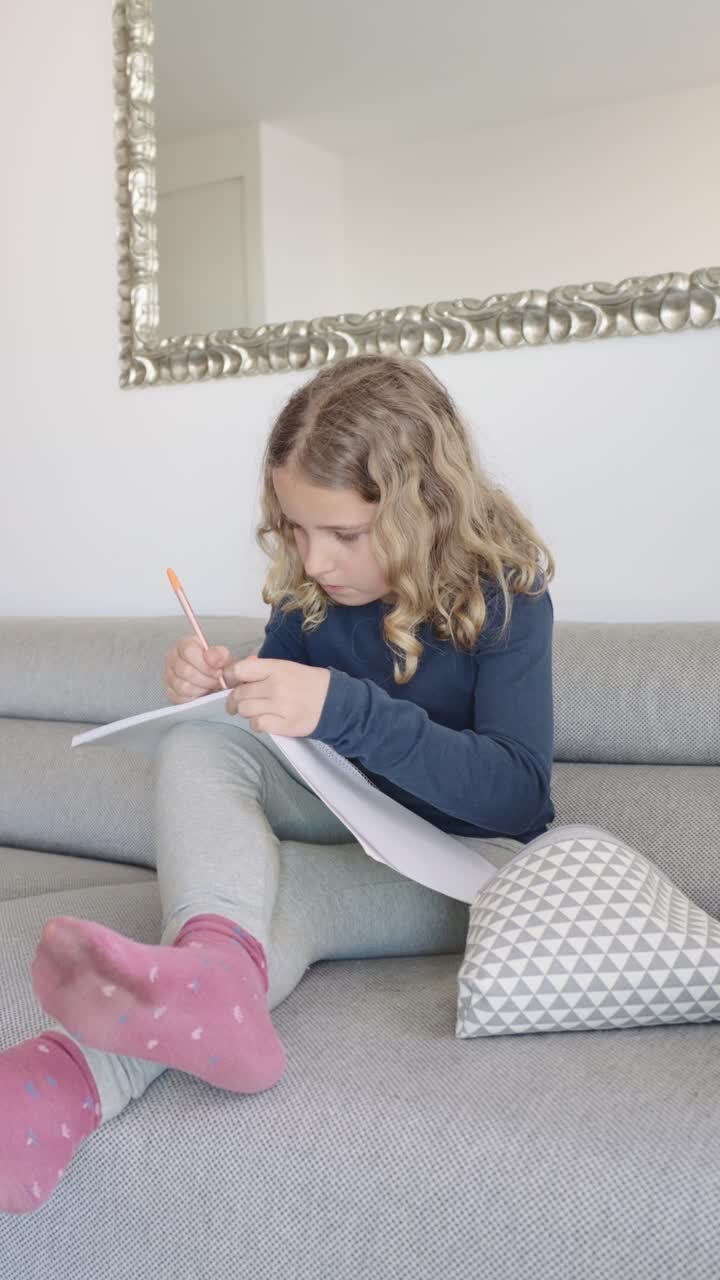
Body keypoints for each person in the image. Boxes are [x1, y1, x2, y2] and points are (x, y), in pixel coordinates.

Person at [0, 353, 556, 1214]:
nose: (314, 558)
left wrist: (347, 707)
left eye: (342, 535)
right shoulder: (310, 601)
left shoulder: (507, 597)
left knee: (282, 897)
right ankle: (208, 977)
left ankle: (71, 1074)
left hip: (460, 864)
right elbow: (279, 736)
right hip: (345, 816)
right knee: (201, 745)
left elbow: (518, 795)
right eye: (296, 530)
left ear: (426, 507)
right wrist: (223, 688)